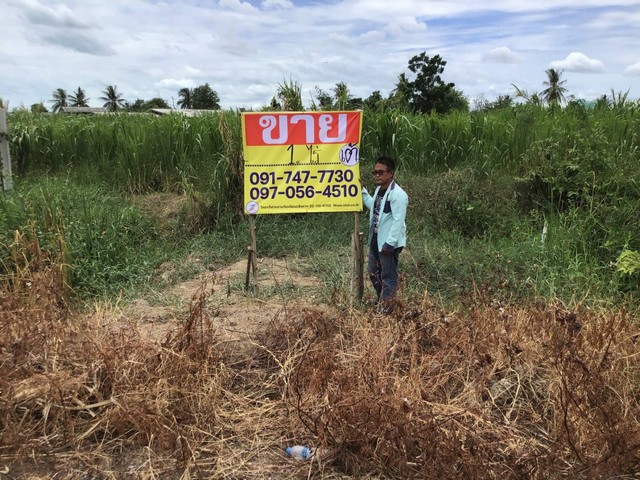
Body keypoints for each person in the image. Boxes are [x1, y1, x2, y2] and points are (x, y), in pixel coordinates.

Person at [361, 156, 408, 311]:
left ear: (391, 173)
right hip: (376, 238)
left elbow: (398, 221)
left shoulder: (398, 195)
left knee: (388, 276)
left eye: (381, 172)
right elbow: (375, 208)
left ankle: (387, 307)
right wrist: (362, 192)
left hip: (388, 242)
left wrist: (390, 243)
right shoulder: (379, 191)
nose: (377, 175)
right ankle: (383, 300)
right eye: (375, 173)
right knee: (373, 272)